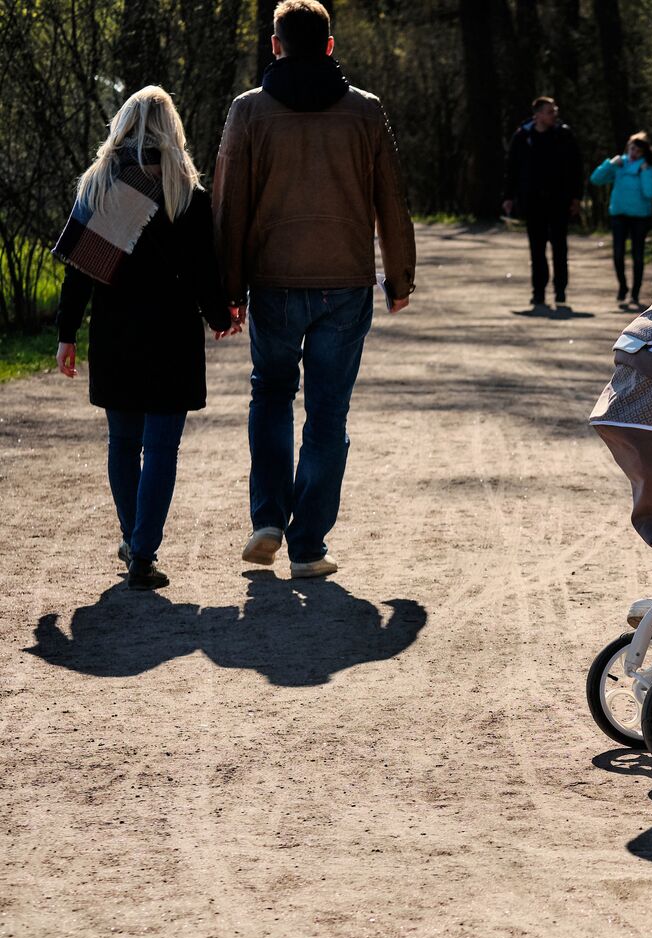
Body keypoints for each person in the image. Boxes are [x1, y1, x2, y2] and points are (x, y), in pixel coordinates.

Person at [212, 0, 415, 579]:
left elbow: (229, 205)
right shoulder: (365, 112)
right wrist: (398, 277)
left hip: (272, 282)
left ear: (275, 45)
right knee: (328, 414)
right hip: (345, 285)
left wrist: (228, 287)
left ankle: (269, 519)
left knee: (271, 396)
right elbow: (391, 200)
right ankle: (307, 547)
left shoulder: (248, 111)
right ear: (329, 46)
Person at [52, 86, 235, 591]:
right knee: (160, 450)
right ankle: (143, 552)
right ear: (171, 131)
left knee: (124, 442)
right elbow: (204, 273)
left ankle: (134, 540)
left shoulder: (102, 188)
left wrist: (67, 334)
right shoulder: (188, 196)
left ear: (123, 127)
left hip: (116, 336)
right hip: (172, 337)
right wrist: (222, 315)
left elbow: (78, 274)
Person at [503, 97, 583, 306]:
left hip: (559, 201)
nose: (554, 115)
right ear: (537, 115)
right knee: (537, 250)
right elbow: (512, 168)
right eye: (549, 111)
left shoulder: (564, 135)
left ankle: (560, 290)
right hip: (533, 202)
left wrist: (576, 197)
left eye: (554, 111)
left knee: (560, 248)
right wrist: (509, 197)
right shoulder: (522, 137)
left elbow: (576, 168)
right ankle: (538, 291)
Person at [590, 131, 652, 306]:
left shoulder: (648, 169)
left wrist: (643, 173)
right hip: (619, 214)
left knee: (638, 255)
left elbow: (649, 193)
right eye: (632, 148)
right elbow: (596, 180)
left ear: (644, 152)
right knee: (618, 254)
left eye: (638, 150)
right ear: (628, 147)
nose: (634, 152)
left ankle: (635, 293)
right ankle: (623, 286)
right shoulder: (619, 164)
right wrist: (609, 164)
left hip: (640, 217)